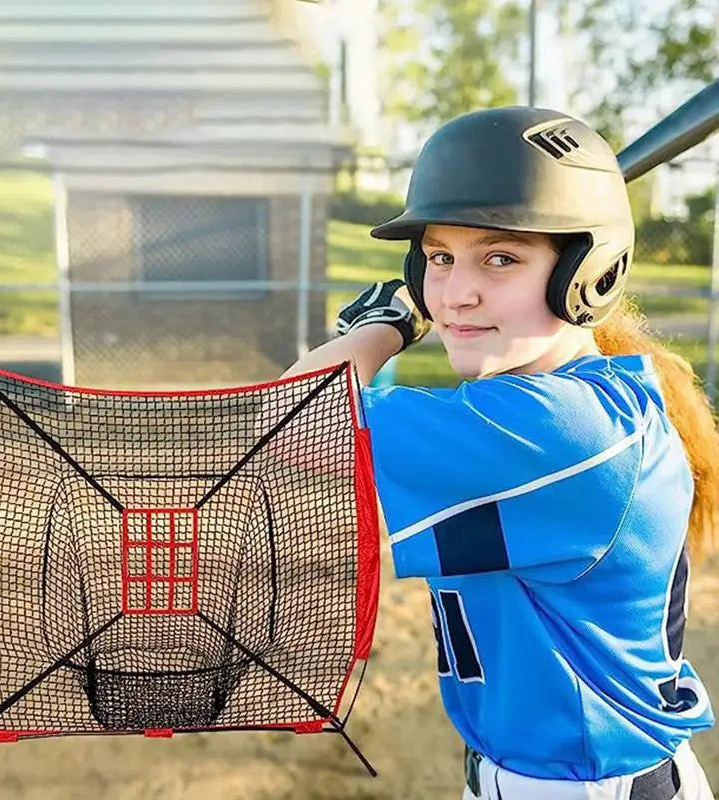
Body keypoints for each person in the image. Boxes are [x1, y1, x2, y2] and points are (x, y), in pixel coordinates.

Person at [281, 106, 719, 799]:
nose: (457, 293)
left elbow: (290, 418)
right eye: (438, 258)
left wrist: (384, 327)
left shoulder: (557, 431)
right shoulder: (585, 401)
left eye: (501, 257)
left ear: (588, 276)